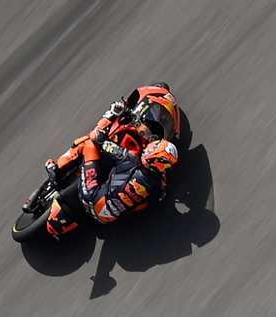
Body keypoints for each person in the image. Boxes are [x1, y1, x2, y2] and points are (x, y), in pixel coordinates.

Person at [38, 100, 181, 238]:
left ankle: (57, 170)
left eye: (155, 146)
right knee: (141, 201)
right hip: (106, 219)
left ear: (151, 156)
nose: (153, 144)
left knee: (88, 144)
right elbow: (152, 201)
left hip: (91, 197)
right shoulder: (159, 184)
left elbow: (100, 140)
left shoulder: (131, 161)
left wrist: (111, 114)